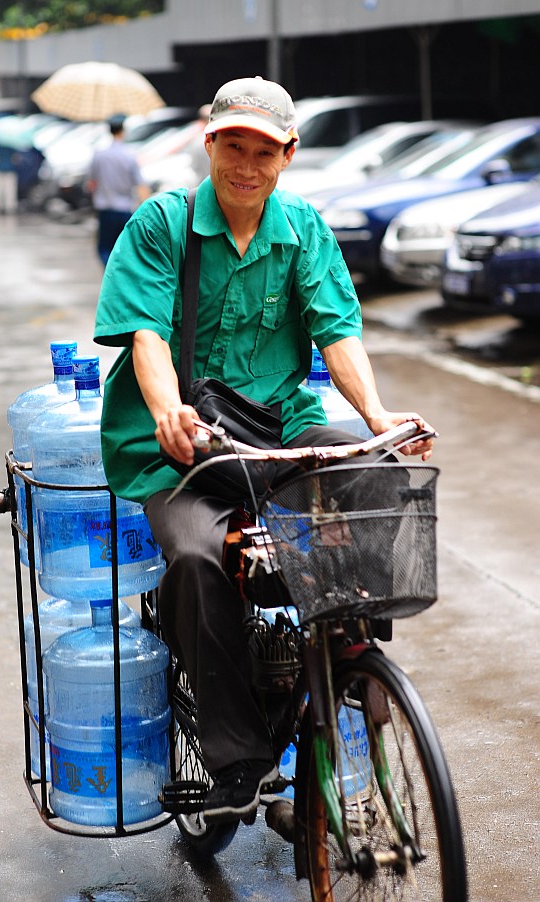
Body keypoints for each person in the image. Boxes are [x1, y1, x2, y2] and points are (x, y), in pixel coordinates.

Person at [94, 76, 435, 825]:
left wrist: (378, 418)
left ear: (288, 156)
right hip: (187, 447)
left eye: (264, 151)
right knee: (195, 559)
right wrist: (165, 411)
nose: (246, 166)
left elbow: (339, 332)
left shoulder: (303, 228)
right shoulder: (163, 223)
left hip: (278, 431)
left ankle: (352, 664)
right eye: (233, 147)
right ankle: (238, 757)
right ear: (209, 143)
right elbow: (146, 335)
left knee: (376, 472)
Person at [87, 115, 149, 266]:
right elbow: (140, 185)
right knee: (124, 249)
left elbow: (90, 182)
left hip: (105, 208)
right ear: (122, 131)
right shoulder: (129, 156)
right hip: (124, 209)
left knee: (105, 248)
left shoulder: (99, 155)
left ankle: (108, 278)